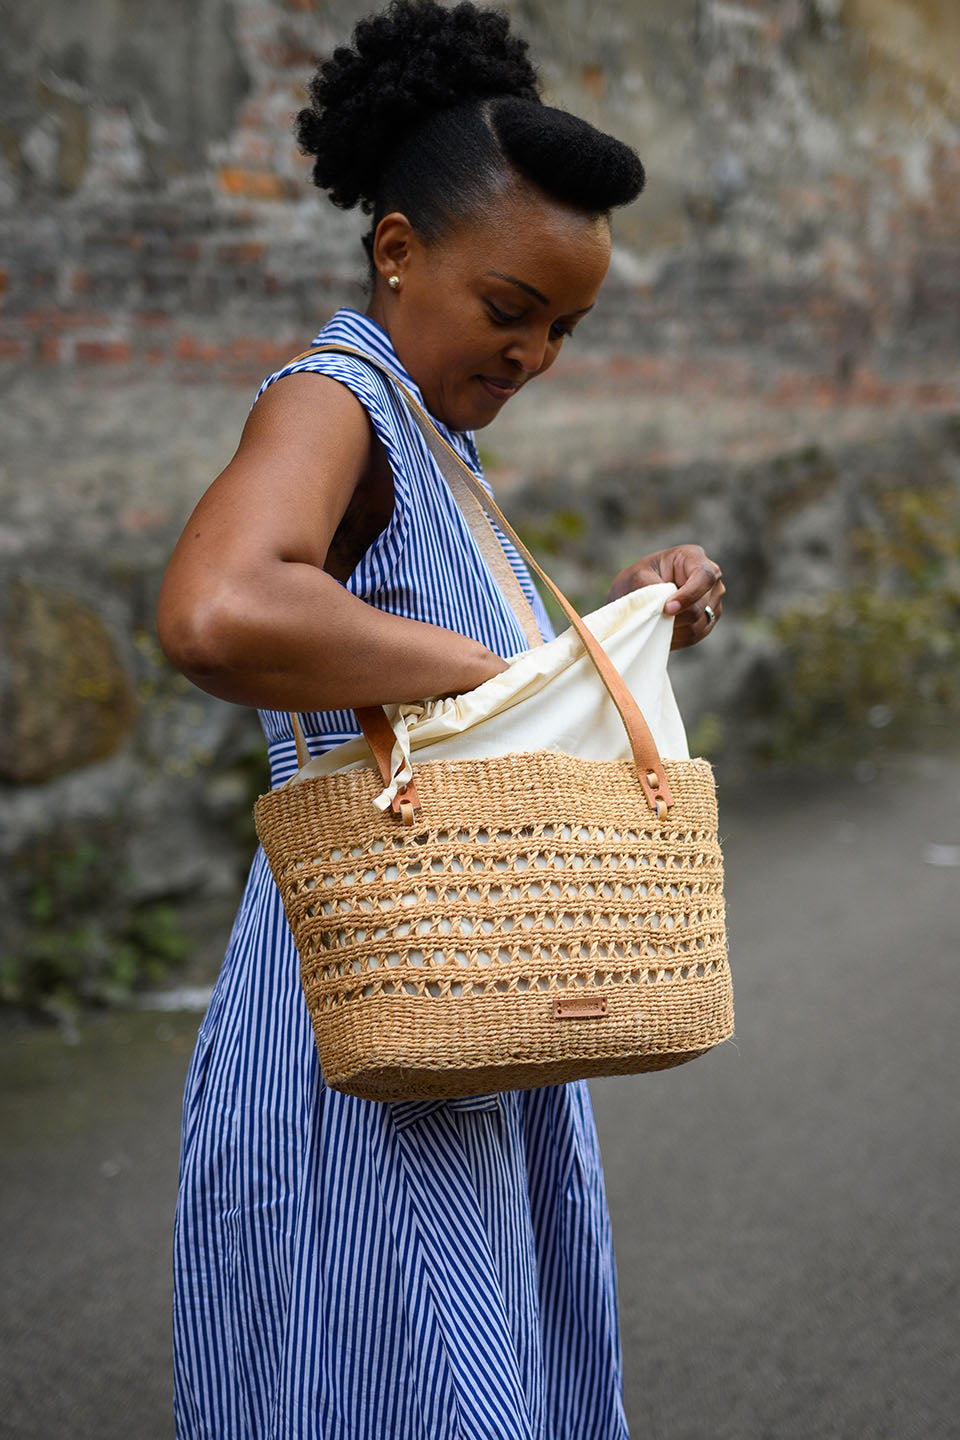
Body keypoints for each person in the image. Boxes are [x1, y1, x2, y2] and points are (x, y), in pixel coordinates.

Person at [157, 2, 725, 1435]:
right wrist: (470, 663)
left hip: (467, 997)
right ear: (397, 249)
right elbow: (217, 611)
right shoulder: (334, 397)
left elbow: (462, 691)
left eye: (566, 328)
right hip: (365, 1007)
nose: (536, 352)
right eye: (510, 308)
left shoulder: (441, 446)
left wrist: (624, 619)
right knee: (394, 1375)